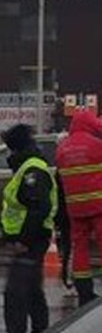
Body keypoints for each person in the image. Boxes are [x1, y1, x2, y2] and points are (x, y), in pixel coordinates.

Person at [0, 124, 56, 333]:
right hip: (30, 238)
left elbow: (38, 208)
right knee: (32, 291)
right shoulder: (28, 167)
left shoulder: (32, 171)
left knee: (15, 293)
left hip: (30, 241)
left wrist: (22, 239)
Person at [54, 111, 102, 304]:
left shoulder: (62, 149)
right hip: (99, 206)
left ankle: (84, 291)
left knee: (79, 249)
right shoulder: (97, 145)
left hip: (74, 208)